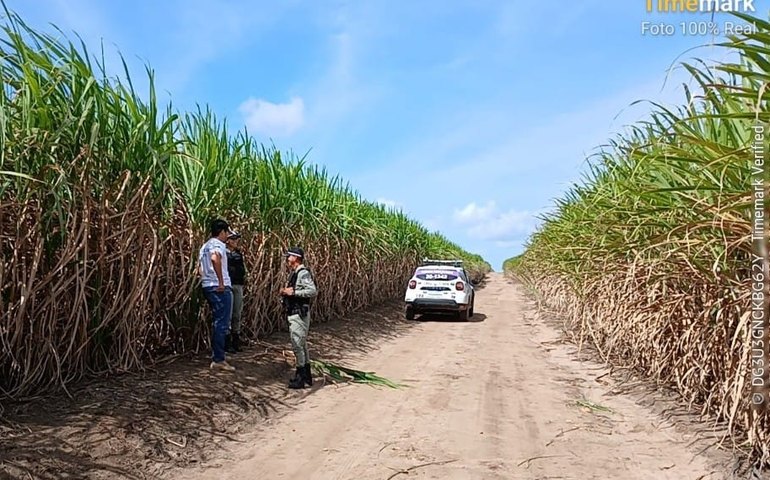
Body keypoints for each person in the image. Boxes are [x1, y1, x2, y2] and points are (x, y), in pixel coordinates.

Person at [198, 219, 236, 371]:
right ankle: (218, 359)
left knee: (217, 322)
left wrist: (205, 279)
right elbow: (215, 258)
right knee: (222, 323)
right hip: (219, 288)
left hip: (208, 285)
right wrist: (220, 281)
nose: (228, 236)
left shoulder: (205, 246)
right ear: (222, 232)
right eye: (227, 232)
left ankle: (218, 355)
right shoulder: (217, 245)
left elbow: (199, 267)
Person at [280, 246, 317, 389]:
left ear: (296, 258)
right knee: (302, 345)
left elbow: (312, 291)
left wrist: (293, 292)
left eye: (289, 257)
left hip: (298, 314)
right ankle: (306, 377)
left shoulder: (302, 273)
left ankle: (300, 378)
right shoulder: (296, 273)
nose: (287, 259)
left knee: (297, 346)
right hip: (295, 313)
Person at [225, 231, 246, 353]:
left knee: (237, 314)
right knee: (228, 314)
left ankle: (235, 341)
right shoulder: (223, 253)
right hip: (228, 285)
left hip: (238, 285)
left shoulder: (238, 254)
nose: (236, 242)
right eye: (233, 239)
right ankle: (227, 343)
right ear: (228, 241)